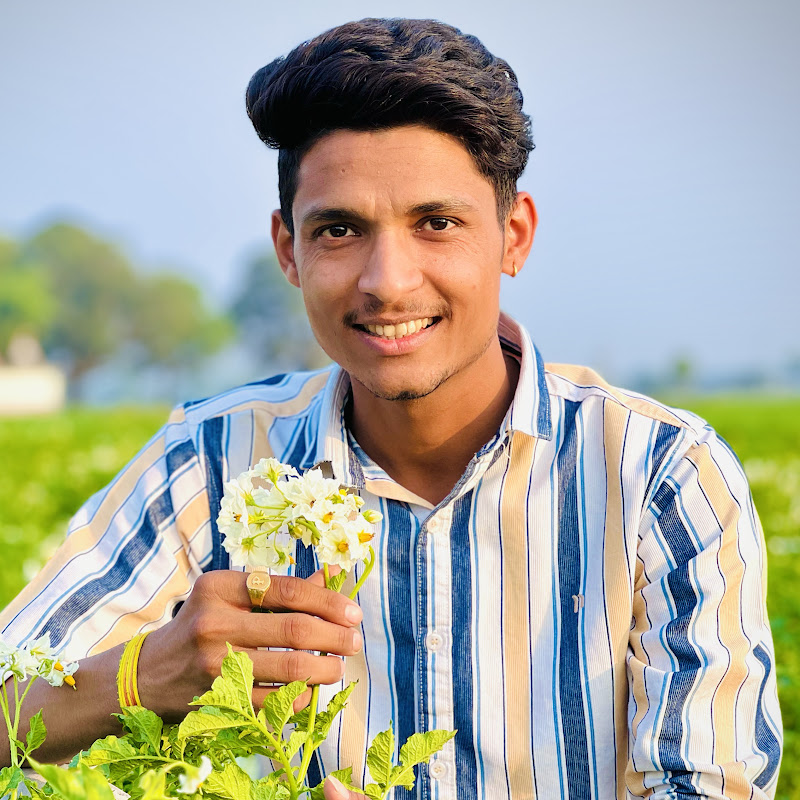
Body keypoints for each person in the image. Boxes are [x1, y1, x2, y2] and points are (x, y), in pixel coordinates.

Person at [0, 18, 782, 800]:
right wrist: (142, 676)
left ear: (513, 236)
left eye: (436, 224)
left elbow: (705, 786)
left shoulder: (658, 474)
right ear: (289, 250)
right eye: (339, 229)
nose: (387, 281)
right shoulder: (211, 459)